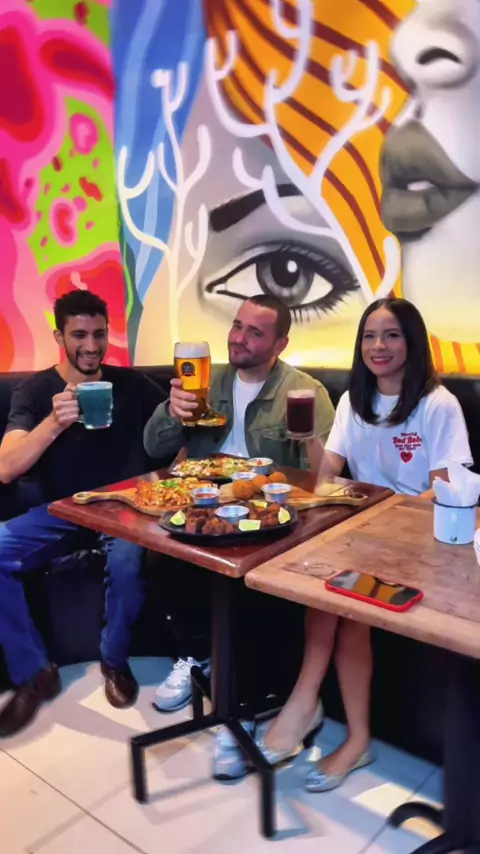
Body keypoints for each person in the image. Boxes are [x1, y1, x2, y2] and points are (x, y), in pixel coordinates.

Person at [255, 297, 473, 791]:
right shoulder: (355, 400)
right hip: (365, 534)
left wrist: (382, 517)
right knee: (318, 582)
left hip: (420, 537)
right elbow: (326, 477)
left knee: (346, 599)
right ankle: (312, 705)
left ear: (412, 342)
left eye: (391, 335)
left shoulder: (438, 404)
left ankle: (338, 726)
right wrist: (308, 438)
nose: (379, 346)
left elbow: (444, 487)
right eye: (370, 336)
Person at [144, 293, 335, 779]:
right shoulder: (205, 381)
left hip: (267, 519)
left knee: (248, 586)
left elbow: (326, 479)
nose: (239, 338)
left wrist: (308, 443)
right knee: (156, 558)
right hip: (203, 508)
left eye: (255, 332)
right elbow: (153, 447)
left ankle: (241, 711)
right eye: (236, 325)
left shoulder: (305, 391)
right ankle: (200, 655)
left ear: (280, 343)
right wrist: (172, 410)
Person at [0, 291, 164, 737]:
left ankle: (114, 661)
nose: (91, 346)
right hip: (63, 511)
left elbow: (176, 434)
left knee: (128, 562)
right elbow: (6, 466)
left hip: (125, 510)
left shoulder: (132, 385)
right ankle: (35, 673)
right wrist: (54, 423)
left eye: (99, 334)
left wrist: (161, 484)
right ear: (59, 337)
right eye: (79, 335)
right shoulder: (35, 391)